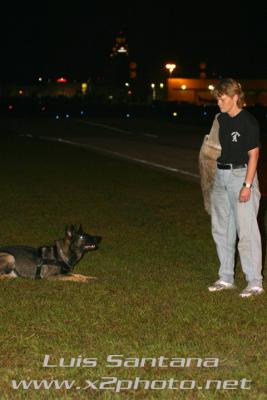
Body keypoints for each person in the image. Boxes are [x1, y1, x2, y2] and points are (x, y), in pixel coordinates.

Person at [208, 78, 264, 298]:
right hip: (221, 176)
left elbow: (254, 155)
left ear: (234, 97)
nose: (219, 103)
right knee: (222, 229)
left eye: (222, 99)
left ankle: (255, 282)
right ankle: (226, 277)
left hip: (241, 176)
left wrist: (247, 185)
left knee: (247, 231)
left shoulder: (248, 122)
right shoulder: (221, 119)